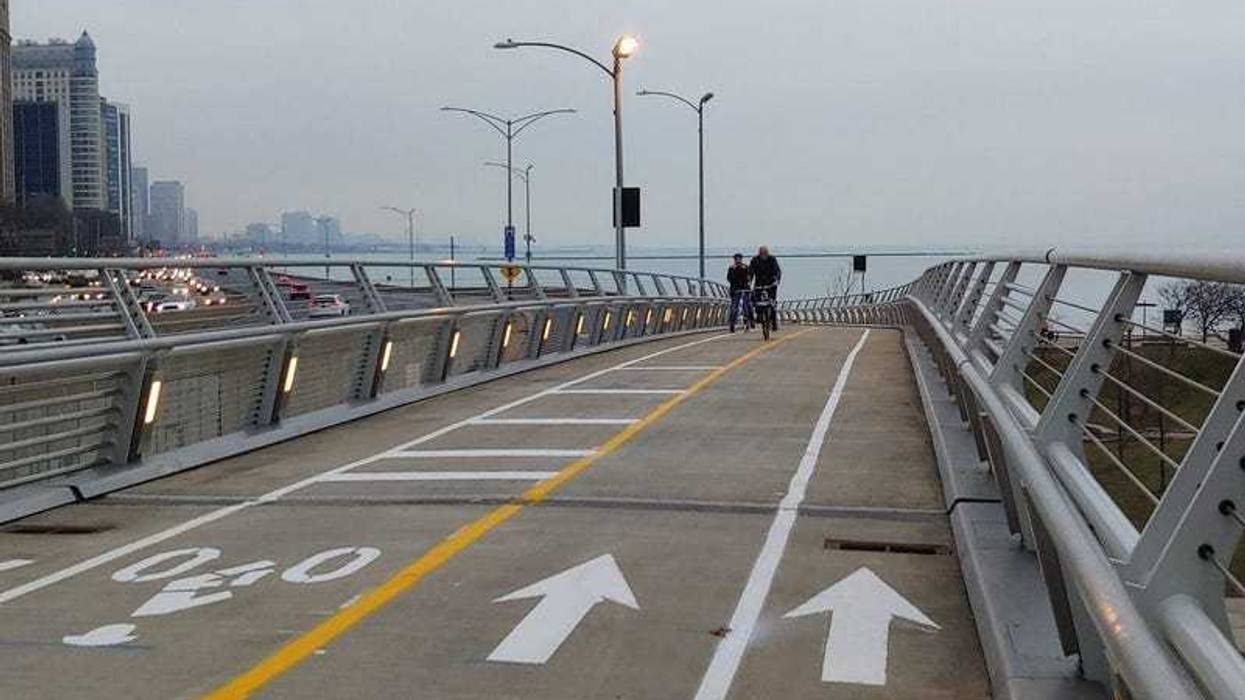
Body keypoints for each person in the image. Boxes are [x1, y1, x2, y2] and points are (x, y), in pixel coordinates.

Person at [749, 246, 782, 330]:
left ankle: (774, 323)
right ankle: (759, 316)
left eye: (765, 253)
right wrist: (749, 280)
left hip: (771, 284)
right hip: (759, 284)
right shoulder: (755, 260)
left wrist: (777, 280)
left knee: (772, 303)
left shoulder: (772, 259)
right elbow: (751, 271)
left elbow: (777, 271)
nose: (763, 255)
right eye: (761, 253)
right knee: (757, 302)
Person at [726, 253, 753, 333]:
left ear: (741, 259)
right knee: (734, 307)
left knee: (747, 305)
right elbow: (729, 278)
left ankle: (749, 321)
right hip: (735, 290)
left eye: (739, 258)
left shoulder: (746, 267)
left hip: (745, 289)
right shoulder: (731, 268)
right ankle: (732, 323)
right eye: (736, 259)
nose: (738, 260)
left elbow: (749, 277)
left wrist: (748, 282)